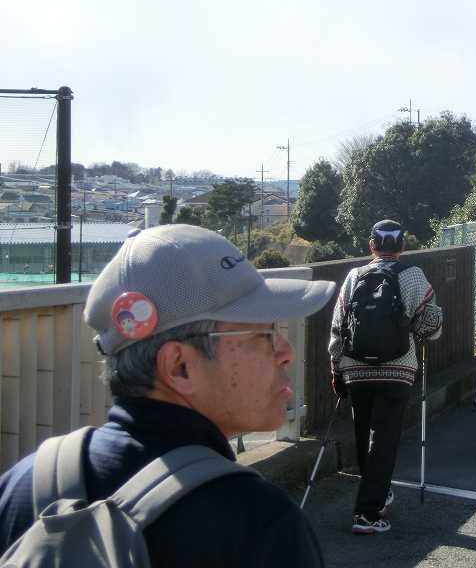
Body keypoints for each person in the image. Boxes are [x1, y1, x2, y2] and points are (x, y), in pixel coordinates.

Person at [0, 224, 335, 565]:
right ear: (179, 366)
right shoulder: (259, 524)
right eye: (264, 333)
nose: (286, 351)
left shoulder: (24, 486)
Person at [329, 220, 442, 535]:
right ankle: (366, 513)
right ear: (402, 246)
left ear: (371, 245)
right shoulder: (412, 275)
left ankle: (378, 494)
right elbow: (430, 323)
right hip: (397, 369)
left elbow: (338, 326)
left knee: (365, 435)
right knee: (384, 439)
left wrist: (336, 368)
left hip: (355, 368)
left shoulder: (353, 277)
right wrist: (422, 331)